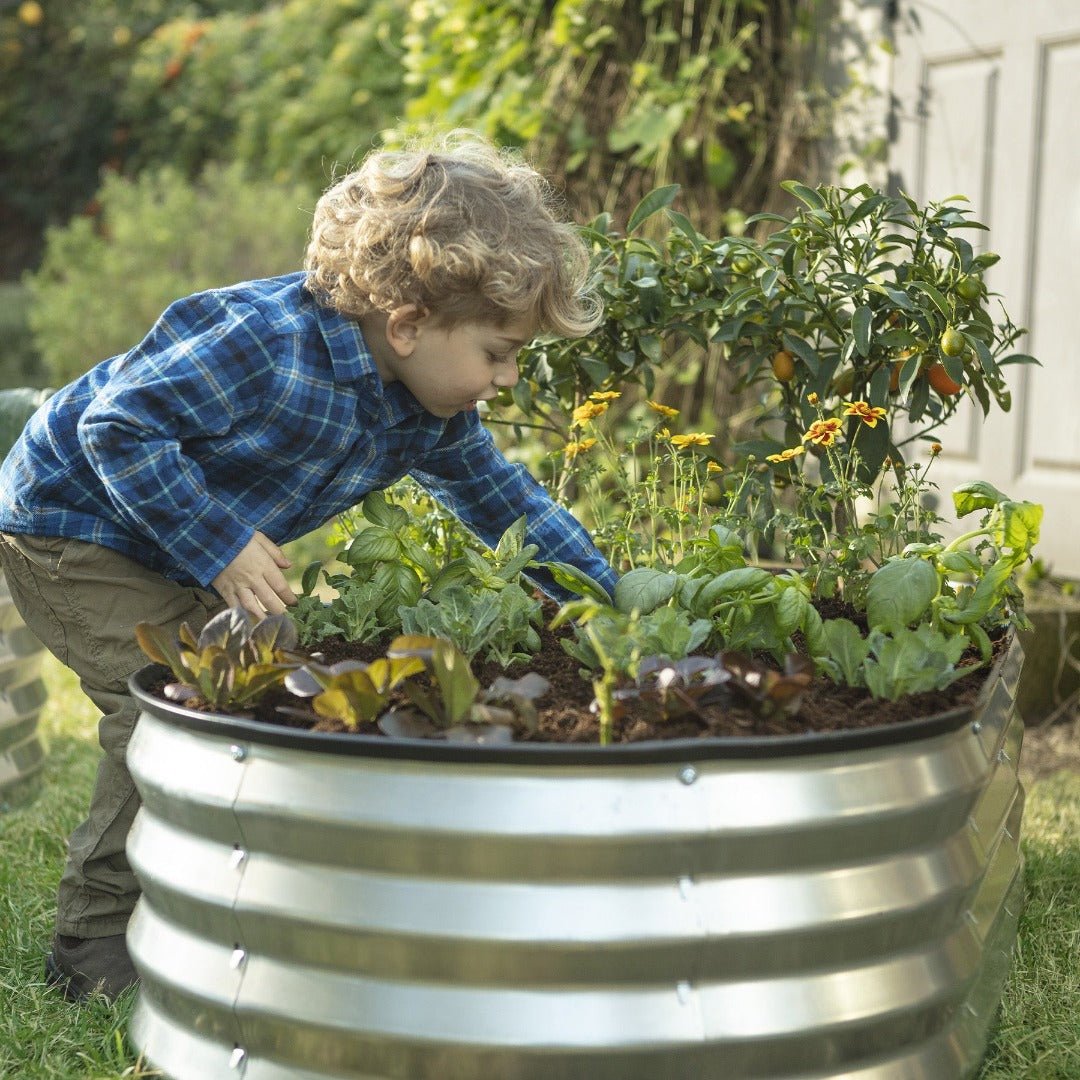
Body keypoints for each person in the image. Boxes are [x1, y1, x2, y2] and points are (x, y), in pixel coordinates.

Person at [0, 131, 617, 1002]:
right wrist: (216, 543)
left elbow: (506, 505)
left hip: (163, 535)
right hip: (72, 524)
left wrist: (606, 599)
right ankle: (93, 940)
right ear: (407, 325)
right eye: (498, 352)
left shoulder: (426, 412)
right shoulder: (262, 342)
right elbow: (117, 430)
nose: (507, 379)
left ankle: (209, 895)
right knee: (172, 705)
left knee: (266, 667)